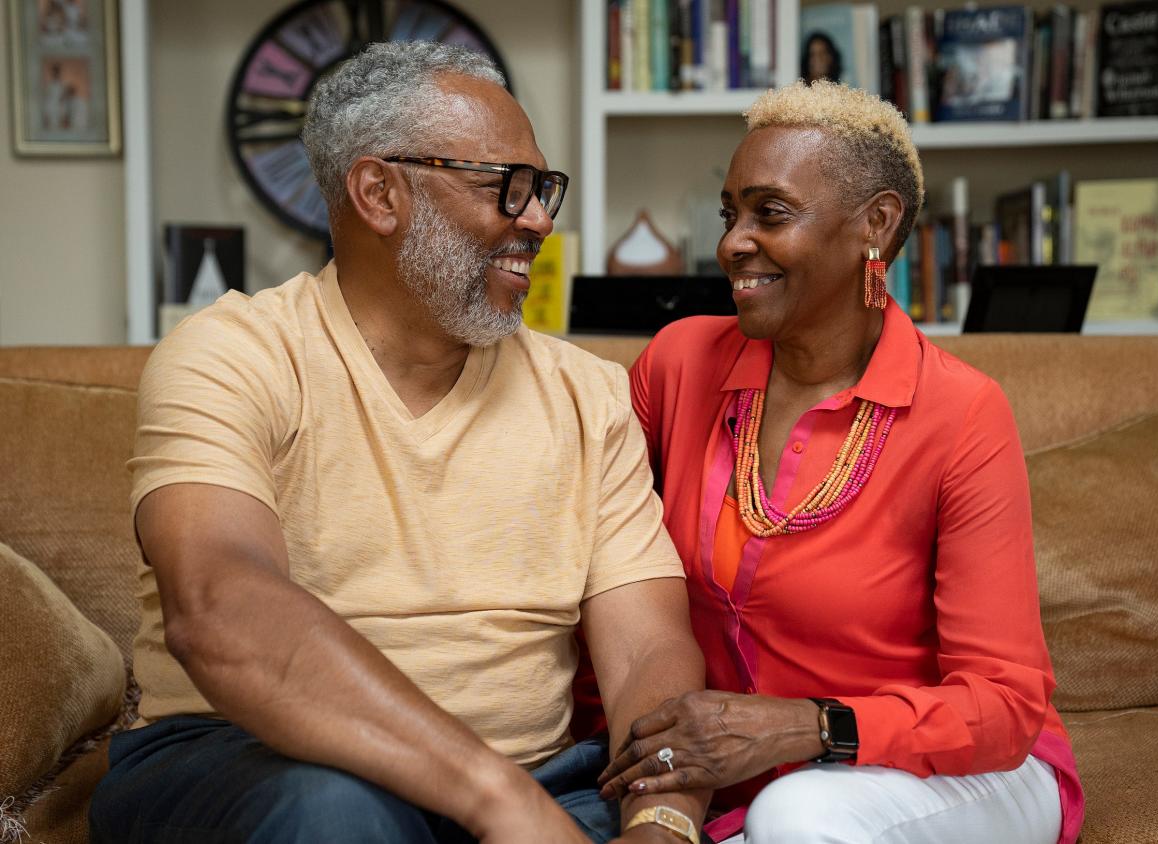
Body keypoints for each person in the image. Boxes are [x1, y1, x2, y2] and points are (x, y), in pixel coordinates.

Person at [89, 42, 709, 844]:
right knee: (334, 813)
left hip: (539, 774)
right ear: (379, 192)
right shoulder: (234, 353)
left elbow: (647, 651)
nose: (541, 220)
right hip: (247, 759)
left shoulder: (586, 394)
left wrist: (662, 817)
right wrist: (500, 804)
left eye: (544, 189)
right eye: (508, 187)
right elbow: (219, 610)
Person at [593, 80, 1084, 843]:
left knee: (798, 816)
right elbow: (600, 554)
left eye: (770, 213)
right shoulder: (679, 363)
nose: (731, 243)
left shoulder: (962, 413)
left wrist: (810, 729)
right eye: (730, 214)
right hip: (751, 781)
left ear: (876, 226)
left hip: (955, 771)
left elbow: (1005, 705)